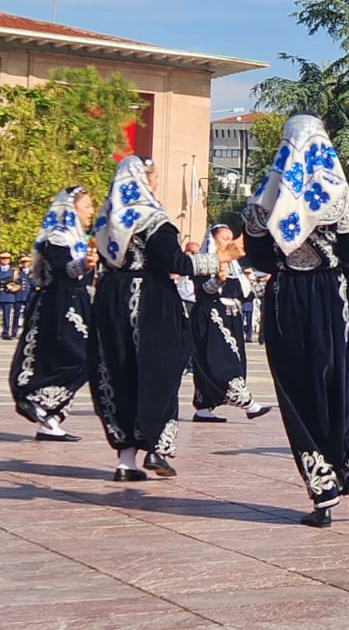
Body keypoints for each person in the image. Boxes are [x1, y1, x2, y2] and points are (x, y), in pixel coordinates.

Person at [243, 115, 349, 526]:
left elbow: (261, 259)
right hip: (334, 300)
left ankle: (323, 495)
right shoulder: (340, 200)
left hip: (286, 301)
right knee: (343, 385)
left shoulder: (263, 202)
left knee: (298, 395)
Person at [90, 156, 242, 482]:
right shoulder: (152, 219)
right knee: (161, 368)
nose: (157, 182)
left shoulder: (106, 220)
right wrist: (220, 257)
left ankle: (126, 460)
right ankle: (158, 445)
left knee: (120, 372)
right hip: (150, 299)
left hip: (111, 299)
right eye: (156, 176)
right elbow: (177, 263)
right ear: (146, 179)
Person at [8, 187, 98, 441]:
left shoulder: (79, 239)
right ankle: (34, 399)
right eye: (87, 205)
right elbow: (62, 269)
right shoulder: (58, 238)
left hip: (77, 302)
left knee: (82, 357)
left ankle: (51, 418)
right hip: (59, 303)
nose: (91, 211)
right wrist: (84, 264)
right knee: (73, 355)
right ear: (72, 208)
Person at [190, 224, 275, 423]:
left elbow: (245, 291)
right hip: (211, 315)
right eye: (225, 238)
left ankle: (203, 407)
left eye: (231, 238)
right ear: (213, 240)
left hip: (231, 316)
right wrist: (219, 280)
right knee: (223, 359)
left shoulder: (235, 267)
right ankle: (247, 403)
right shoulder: (204, 261)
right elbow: (205, 290)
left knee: (228, 356)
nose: (229, 242)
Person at [0, 252, 22, 340]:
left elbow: (19, 283)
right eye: (2, 258)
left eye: (7, 258)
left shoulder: (13, 272)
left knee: (7, 316)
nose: (5, 260)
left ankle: (6, 332)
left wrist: (15, 287)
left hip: (8, 296)